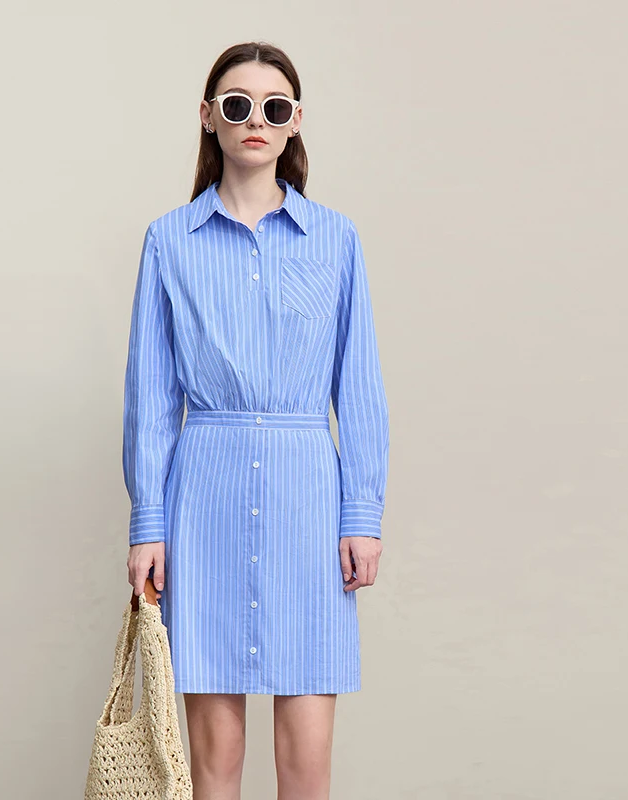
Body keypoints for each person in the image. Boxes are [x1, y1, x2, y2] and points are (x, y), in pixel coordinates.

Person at [122, 41, 389, 800]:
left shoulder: (335, 239)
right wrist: (148, 522)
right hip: (202, 496)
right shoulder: (169, 241)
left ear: (295, 121)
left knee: (307, 761)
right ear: (209, 117)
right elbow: (151, 396)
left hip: (309, 496)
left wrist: (362, 513)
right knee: (215, 760)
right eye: (237, 105)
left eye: (274, 108)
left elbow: (358, 387)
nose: (255, 121)